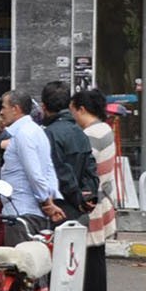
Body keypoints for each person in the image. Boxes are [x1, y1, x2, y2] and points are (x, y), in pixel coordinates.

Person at [71, 88, 116, 291]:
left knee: (90, 256)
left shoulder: (90, 135)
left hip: (92, 201)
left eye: (73, 110)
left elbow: (86, 169)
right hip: (103, 198)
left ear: (82, 109)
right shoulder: (104, 129)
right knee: (96, 254)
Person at [0, 90, 63, 222]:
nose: (1, 112)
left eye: (4, 107)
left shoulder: (24, 134)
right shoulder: (36, 130)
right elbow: (48, 169)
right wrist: (49, 197)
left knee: (19, 243)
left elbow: (34, 173)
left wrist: (46, 201)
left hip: (21, 210)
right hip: (29, 209)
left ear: (15, 109)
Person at [40, 81, 98, 226]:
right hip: (78, 209)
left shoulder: (49, 133)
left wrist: (77, 197)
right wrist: (87, 196)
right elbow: (90, 169)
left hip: (58, 208)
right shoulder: (80, 132)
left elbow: (60, 171)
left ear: (44, 106)